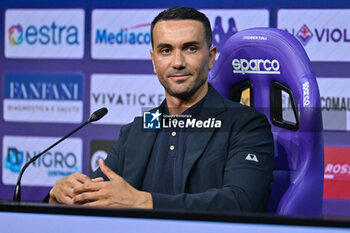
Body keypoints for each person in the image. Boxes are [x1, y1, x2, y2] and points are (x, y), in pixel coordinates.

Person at [48, 6, 274, 212]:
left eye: (190, 48)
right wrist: (61, 195)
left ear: (211, 57)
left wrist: (142, 202)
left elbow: (242, 202)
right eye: (166, 50)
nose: (177, 62)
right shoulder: (136, 131)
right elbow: (94, 197)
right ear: (154, 61)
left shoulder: (246, 125)